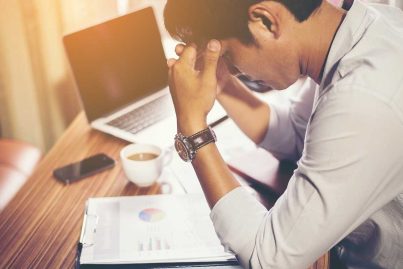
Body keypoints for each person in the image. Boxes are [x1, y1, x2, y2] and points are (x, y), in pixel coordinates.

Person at [163, 0, 403, 268]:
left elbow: (268, 258)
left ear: (266, 21)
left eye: (227, 55)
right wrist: (221, 85)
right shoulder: (364, 29)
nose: (232, 69)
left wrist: (192, 125)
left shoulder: (363, 97)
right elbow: (297, 135)